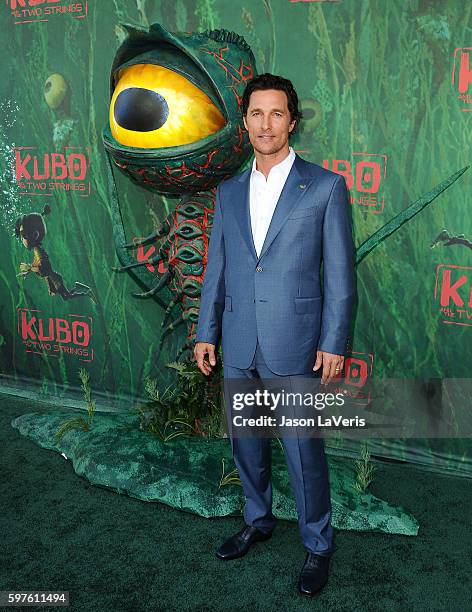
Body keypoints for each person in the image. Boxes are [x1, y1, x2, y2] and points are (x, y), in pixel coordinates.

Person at [193, 73, 356, 597]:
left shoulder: (326, 186)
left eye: (276, 113)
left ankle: (317, 545)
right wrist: (206, 331)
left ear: (292, 121)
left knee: (302, 450)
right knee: (246, 443)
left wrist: (333, 341)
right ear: (245, 123)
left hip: (297, 340)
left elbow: (341, 275)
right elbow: (216, 267)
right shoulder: (228, 190)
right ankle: (258, 520)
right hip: (239, 338)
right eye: (256, 114)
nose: (266, 124)